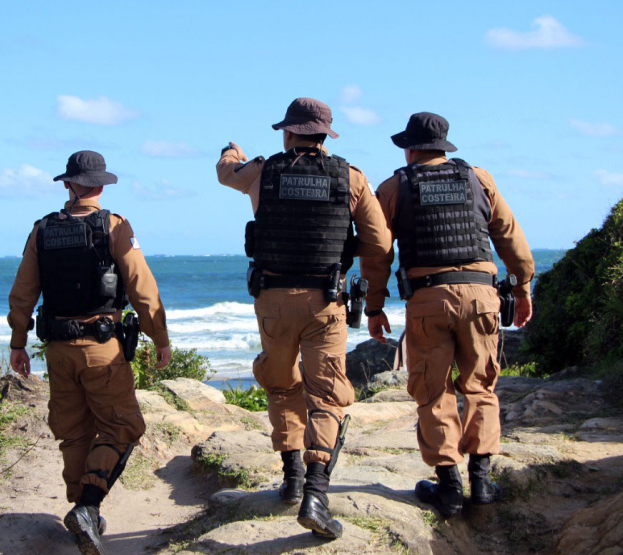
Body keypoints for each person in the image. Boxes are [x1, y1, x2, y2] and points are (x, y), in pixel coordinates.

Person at [216, 97, 390, 539]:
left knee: (281, 382)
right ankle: (316, 492)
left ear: (288, 132)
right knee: (327, 394)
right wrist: (345, 250)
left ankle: (292, 476)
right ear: (325, 135)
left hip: (273, 298)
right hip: (325, 300)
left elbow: (225, 173)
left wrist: (231, 152)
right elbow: (379, 242)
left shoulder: (262, 171)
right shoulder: (350, 177)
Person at [361, 112, 534, 517]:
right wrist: (523, 288)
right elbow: (510, 237)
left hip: (429, 298)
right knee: (481, 386)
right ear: (443, 146)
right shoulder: (478, 179)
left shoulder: (393, 187)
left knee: (433, 390)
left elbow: (378, 252)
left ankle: (450, 486)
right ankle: (482, 481)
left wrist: (374, 306)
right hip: (482, 296)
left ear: (410, 149)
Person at [7, 150, 171, 555]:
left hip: (58, 350)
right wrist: (160, 338)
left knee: (74, 431)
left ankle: (83, 514)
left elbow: (23, 293)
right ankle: (88, 506)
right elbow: (143, 290)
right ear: (100, 185)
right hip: (101, 348)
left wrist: (17, 342)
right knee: (123, 426)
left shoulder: (42, 230)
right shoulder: (114, 226)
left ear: (68, 184)